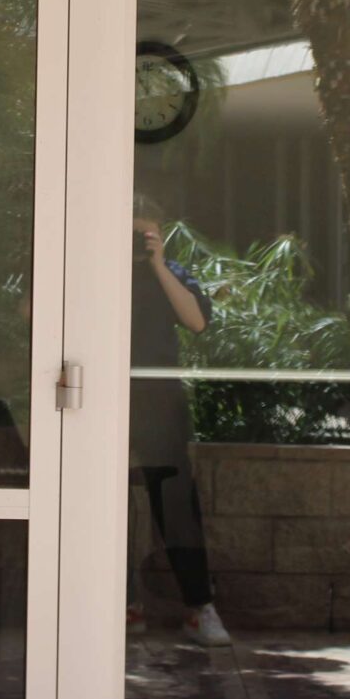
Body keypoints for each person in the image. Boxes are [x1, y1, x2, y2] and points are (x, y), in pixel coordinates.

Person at [129, 195, 231, 648]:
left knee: (174, 503)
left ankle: (198, 607)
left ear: (159, 234)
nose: (135, 242)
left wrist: (157, 265)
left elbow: (196, 322)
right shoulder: (92, 266)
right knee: (100, 503)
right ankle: (123, 604)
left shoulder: (169, 274)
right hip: (101, 401)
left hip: (158, 402)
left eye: (143, 233)